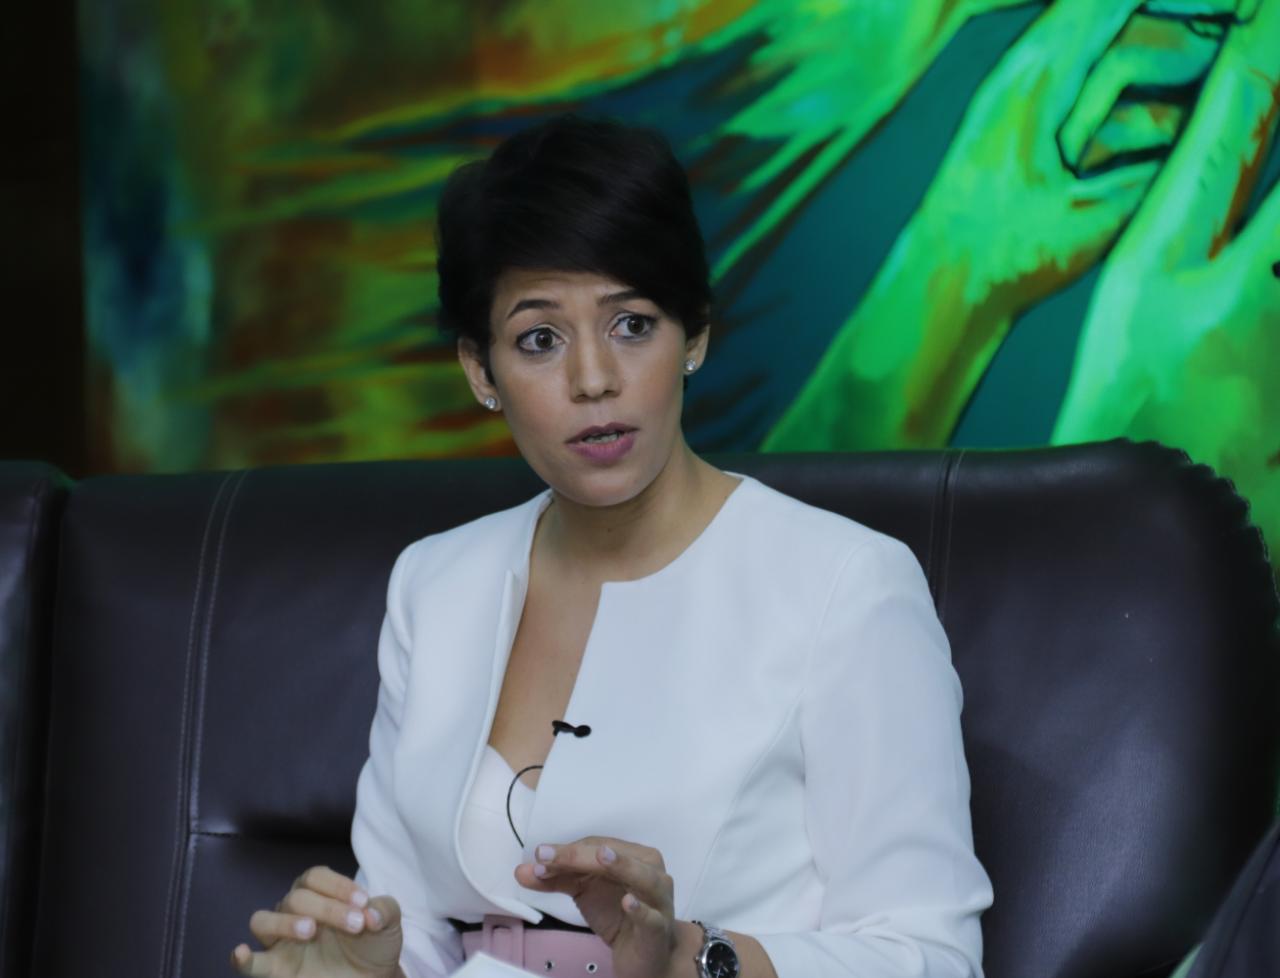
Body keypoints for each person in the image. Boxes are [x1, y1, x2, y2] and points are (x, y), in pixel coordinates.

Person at [231, 115, 993, 978]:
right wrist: (369, 967)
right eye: (539, 339)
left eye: (631, 324)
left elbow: (932, 958)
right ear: (481, 370)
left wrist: (693, 960)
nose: (592, 379)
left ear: (693, 334)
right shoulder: (435, 583)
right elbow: (412, 921)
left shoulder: (847, 583)